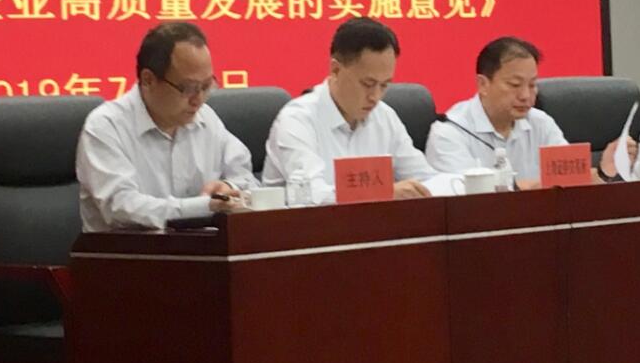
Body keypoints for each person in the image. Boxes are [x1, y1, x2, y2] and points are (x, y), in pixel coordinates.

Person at [76, 22, 255, 231]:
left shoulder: (206, 119)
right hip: (131, 250)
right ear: (148, 80)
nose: (198, 99)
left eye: (206, 86)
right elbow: (122, 208)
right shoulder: (105, 127)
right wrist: (205, 207)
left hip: (202, 249)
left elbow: (247, 180)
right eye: (188, 88)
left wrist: (229, 189)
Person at [262, 17, 446, 203]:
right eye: (368, 84)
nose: (375, 96)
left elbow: (425, 179)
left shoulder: (384, 116)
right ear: (335, 70)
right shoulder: (297, 120)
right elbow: (310, 197)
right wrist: (383, 193)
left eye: (384, 85)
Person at [425, 36, 633, 187]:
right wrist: (532, 189)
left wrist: (605, 172)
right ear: (483, 84)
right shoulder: (449, 133)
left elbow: (572, 183)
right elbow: (463, 198)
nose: (526, 95)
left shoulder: (541, 123)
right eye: (515, 85)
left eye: (532, 85)